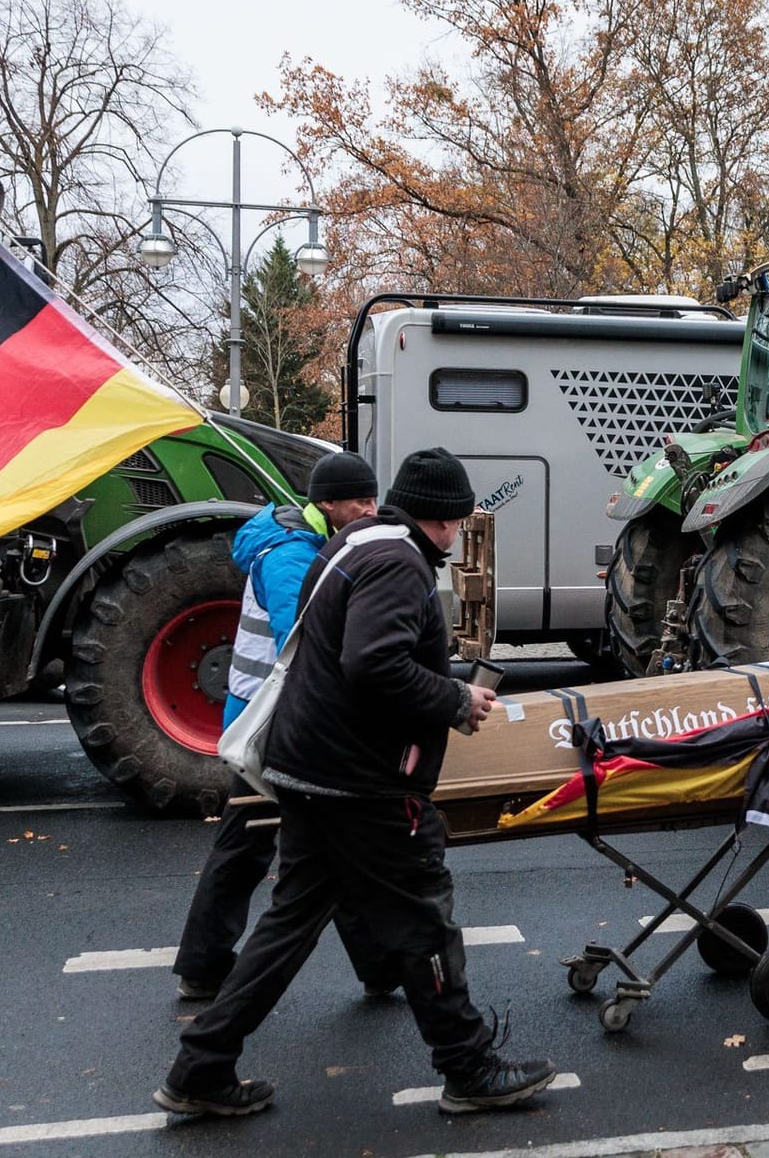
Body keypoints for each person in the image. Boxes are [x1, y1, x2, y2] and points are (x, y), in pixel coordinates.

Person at [156, 447, 556, 1119]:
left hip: (309, 766)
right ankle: (468, 1066)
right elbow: (373, 664)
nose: (459, 535)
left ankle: (201, 1068)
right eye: (458, 522)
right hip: (362, 781)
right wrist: (456, 702)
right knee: (425, 922)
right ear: (443, 518)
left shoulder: (355, 543)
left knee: (289, 926)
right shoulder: (400, 565)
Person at [174, 450, 389, 1001]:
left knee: (322, 840)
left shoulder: (306, 542)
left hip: (273, 717)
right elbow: (311, 647)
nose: (371, 510)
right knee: (259, 843)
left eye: (372, 497)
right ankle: (205, 967)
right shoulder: (291, 557)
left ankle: (379, 966)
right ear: (327, 504)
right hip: (274, 724)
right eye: (360, 501)